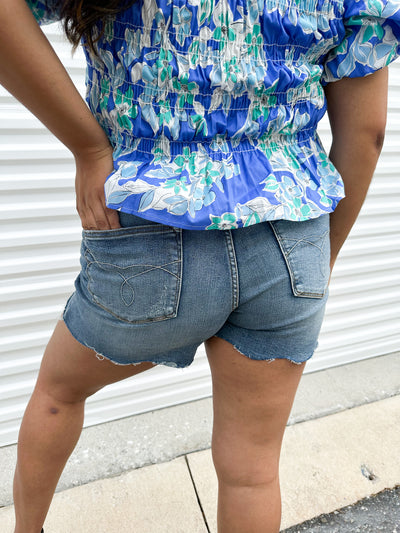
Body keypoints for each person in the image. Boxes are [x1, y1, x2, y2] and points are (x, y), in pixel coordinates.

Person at [1, 0, 399, 532]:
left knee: (58, 394)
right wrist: (318, 260)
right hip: (291, 235)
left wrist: (90, 150)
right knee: (252, 472)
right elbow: (367, 133)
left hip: (153, 227)